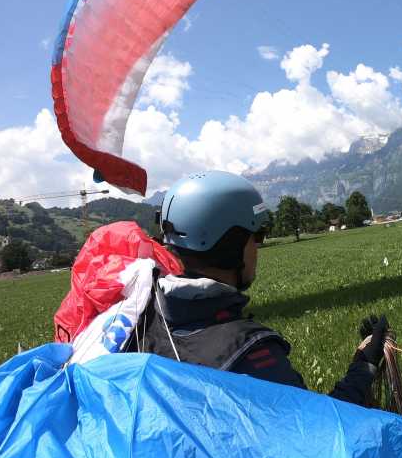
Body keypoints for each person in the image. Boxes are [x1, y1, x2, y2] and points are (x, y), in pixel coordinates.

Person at [126, 171, 386, 407]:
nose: (258, 247)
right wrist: (364, 366)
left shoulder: (141, 316)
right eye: (257, 235)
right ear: (231, 244)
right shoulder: (252, 356)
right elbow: (323, 432)